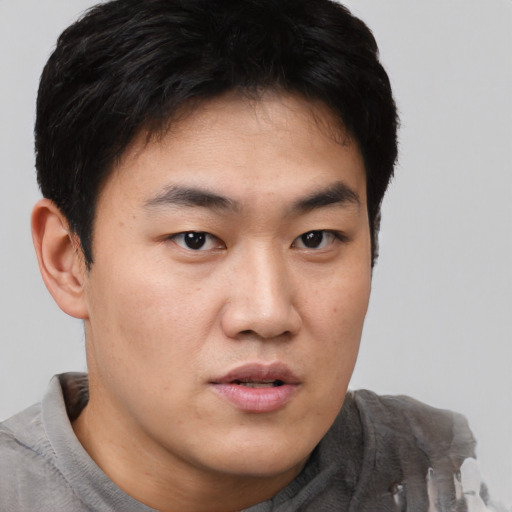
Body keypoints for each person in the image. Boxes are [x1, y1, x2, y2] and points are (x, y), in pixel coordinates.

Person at [0, 1, 505, 511]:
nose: (267, 313)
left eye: (315, 238)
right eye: (195, 239)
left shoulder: (446, 471)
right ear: (67, 260)